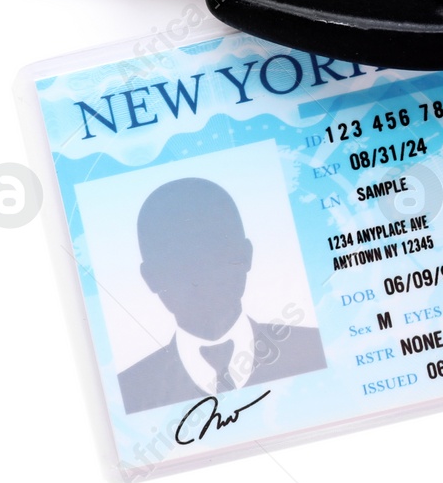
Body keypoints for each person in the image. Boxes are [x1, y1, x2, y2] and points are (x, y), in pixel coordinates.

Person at [117, 177, 325, 414]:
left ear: (246, 256)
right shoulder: (130, 391)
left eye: (214, 251)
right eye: (177, 260)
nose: (198, 276)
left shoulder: (315, 351)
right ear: (150, 278)